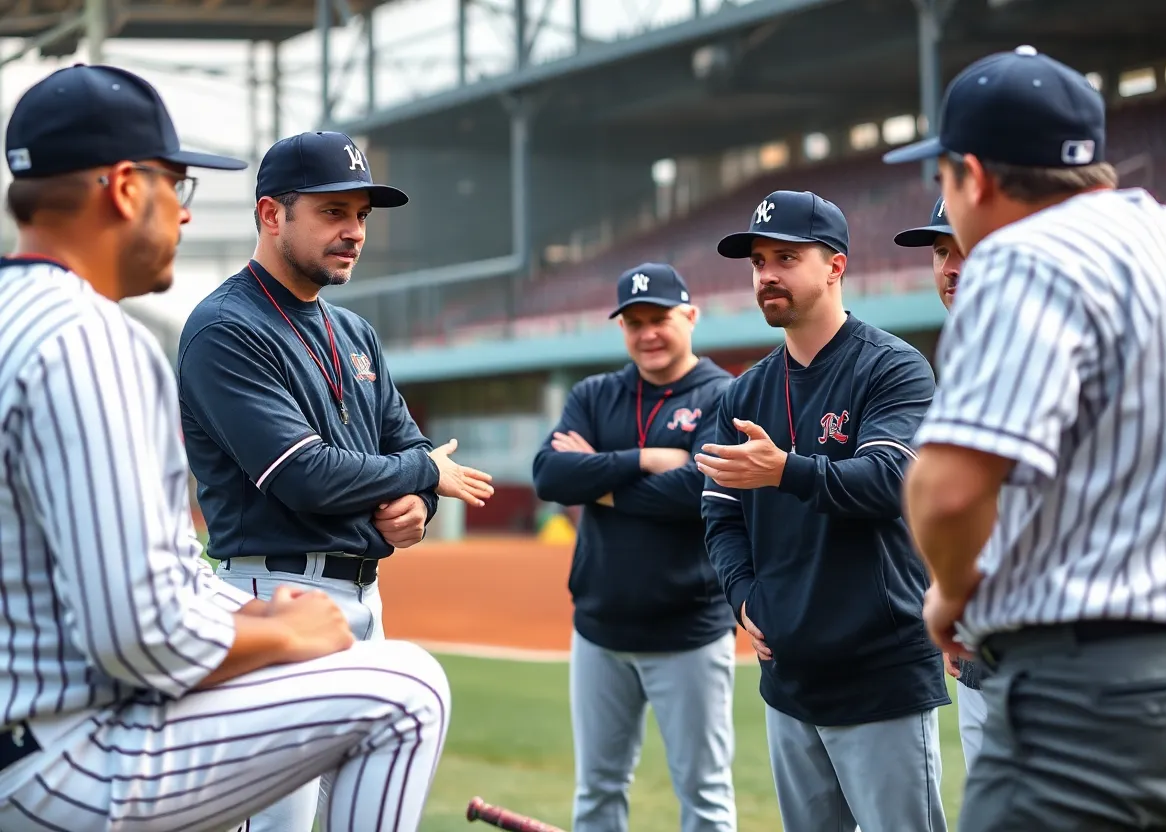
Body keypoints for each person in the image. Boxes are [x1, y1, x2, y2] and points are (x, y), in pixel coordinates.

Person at [0, 63, 449, 832]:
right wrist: (280, 631)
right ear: (125, 189)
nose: (183, 213)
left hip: (31, 727)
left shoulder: (19, 316)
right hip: (62, 758)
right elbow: (139, 640)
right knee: (410, 691)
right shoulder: (90, 339)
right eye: (177, 185)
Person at [886, 45, 1166, 830]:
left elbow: (949, 490)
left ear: (974, 175)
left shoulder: (1023, 252)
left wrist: (952, 592)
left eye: (944, 177)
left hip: (1084, 689)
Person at [175, 129, 493, 831]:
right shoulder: (225, 328)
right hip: (270, 598)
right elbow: (306, 476)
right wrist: (424, 474)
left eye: (361, 215)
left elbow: (408, 447)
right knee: (278, 825)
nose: (354, 232)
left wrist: (418, 504)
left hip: (364, 599)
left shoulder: (353, 331)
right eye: (332, 212)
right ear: (271, 214)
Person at [697, 190, 949, 832]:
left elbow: (892, 480)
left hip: (879, 672)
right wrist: (744, 597)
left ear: (836, 266)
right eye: (758, 262)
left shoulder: (893, 367)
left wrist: (785, 469)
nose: (767, 275)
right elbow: (721, 513)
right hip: (788, 676)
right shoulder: (744, 391)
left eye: (786, 258)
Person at [532, 263, 738, 832]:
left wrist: (596, 482)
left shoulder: (723, 395)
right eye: (634, 322)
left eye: (659, 319)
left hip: (689, 632)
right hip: (599, 630)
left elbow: (698, 489)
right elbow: (549, 475)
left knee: (705, 796)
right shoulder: (595, 393)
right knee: (597, 792)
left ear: (690, 316)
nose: (647, 333)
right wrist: (644, 460)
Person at [893, 195, 989, 770]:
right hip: (981, 641)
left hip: (1055, 650)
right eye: (939, 252)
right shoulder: (963, 355)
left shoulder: (1049, 344)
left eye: (966, 248)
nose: (950, 268)